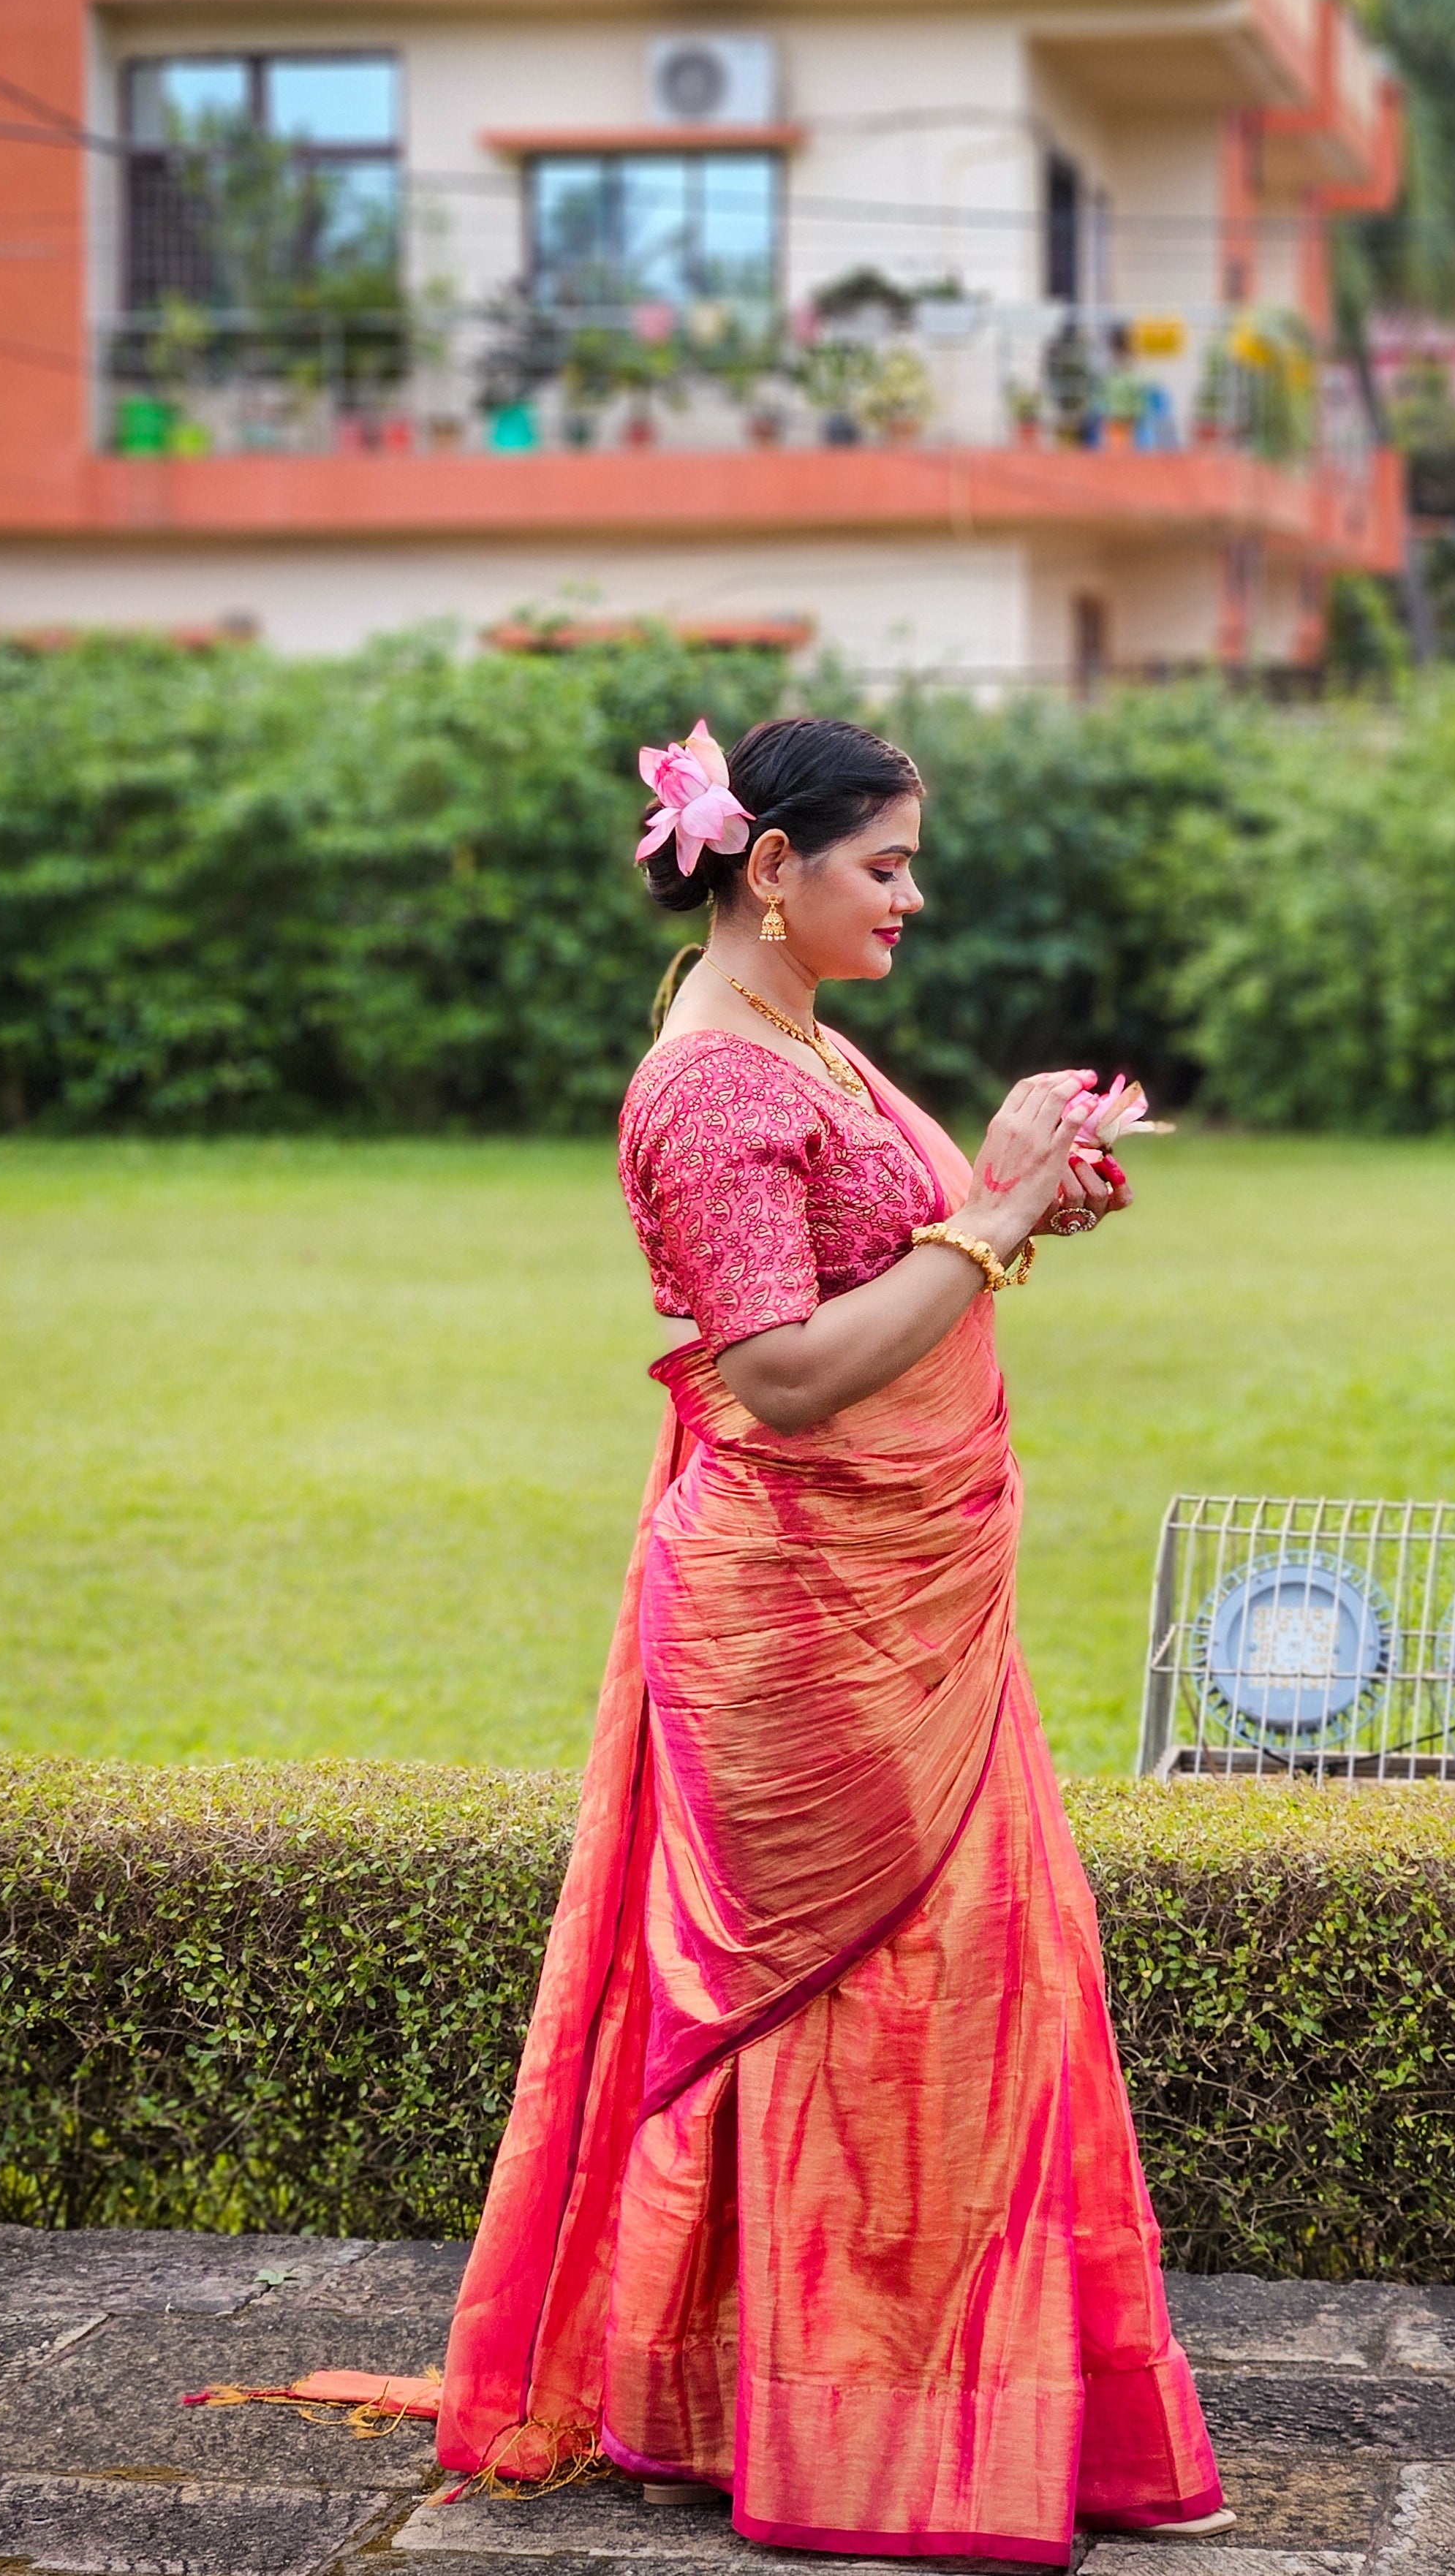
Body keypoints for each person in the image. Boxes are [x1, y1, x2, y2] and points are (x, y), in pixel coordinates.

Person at [437, 714, 1229, 2564]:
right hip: (800, 1617)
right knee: (866, 2002)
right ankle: (843, 2424)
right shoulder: (713, 1080)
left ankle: (907, 2396)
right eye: (883, 862)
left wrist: (1029, 1205)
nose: (913, 891)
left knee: (968, 1991)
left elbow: (897, 1257)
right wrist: (1004, 1201)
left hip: (910, 1601)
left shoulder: (798, 1033)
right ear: (767, 866)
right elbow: (784, 1374)